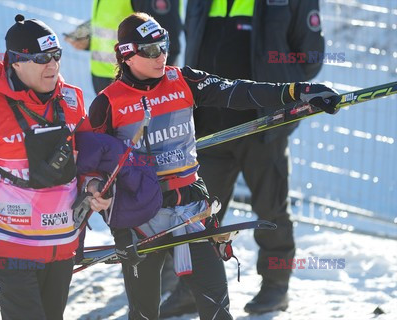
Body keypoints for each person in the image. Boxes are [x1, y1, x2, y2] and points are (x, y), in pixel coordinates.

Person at [88, 12, 338, 320]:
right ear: (126, 55)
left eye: (164, 45)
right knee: (143, 313)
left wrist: (296, 91)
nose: (161, 56)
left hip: (191, 209)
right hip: (141, 218)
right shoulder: (107, 103)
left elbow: (238, 91)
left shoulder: (182, 79)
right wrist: (98, 195)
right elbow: (91, 165)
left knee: (218, 309)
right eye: (151, 51)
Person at [0, 15, 113, 320]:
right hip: (8, 251)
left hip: (61, 245)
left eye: (56, 56)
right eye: (42, 58)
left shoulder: (72, 99)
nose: (53, 65)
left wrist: (94, 184)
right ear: (16, 63)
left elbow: (86, 161)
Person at [160, 0, 326, 317]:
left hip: (264, 125)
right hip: (209, 126)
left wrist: (282, 102)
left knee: (270, 208)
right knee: (196, 214)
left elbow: (310, 57)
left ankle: (275, 286)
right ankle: (190, 289)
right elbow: (189, 44)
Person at [64, 0, 182, 94]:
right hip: (107, 79)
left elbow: (164, 41)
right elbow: (117, 21)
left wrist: (160, 91)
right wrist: (89, 40)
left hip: (135, 85)